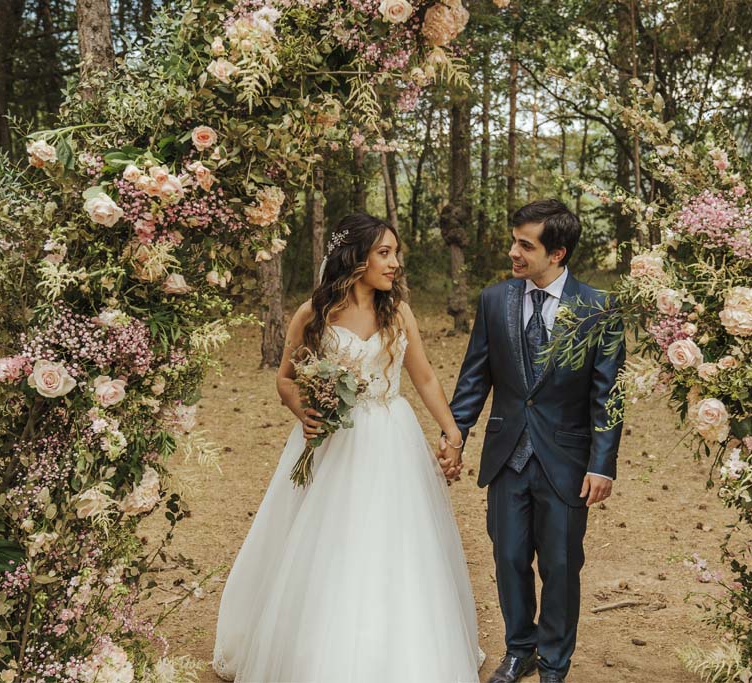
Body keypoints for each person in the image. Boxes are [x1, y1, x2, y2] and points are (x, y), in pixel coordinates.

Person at [212, 212, 483, 682]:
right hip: (331, 443)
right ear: (354, 257)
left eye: (395, 253)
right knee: (326, 543)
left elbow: (423, 376)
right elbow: (285, 379)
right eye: (384, 252)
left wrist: (452, 431)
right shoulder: (314, 313)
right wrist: (305, 411)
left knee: (395, 544)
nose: (394, 262)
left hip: (391, 439)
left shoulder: (396, 312)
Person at [442, 199, 624, 683]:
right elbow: (474, 380)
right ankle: (519, 650)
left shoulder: (599, 309)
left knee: (562, 564)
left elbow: (609, 395)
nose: (514, 252)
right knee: (508, 557)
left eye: (526, 245)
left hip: (566, 459)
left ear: (557, 253)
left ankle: (555, 662)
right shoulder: (494, 300)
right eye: (515, 241)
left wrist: (602, 464)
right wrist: (456, 436)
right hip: (507, 455)